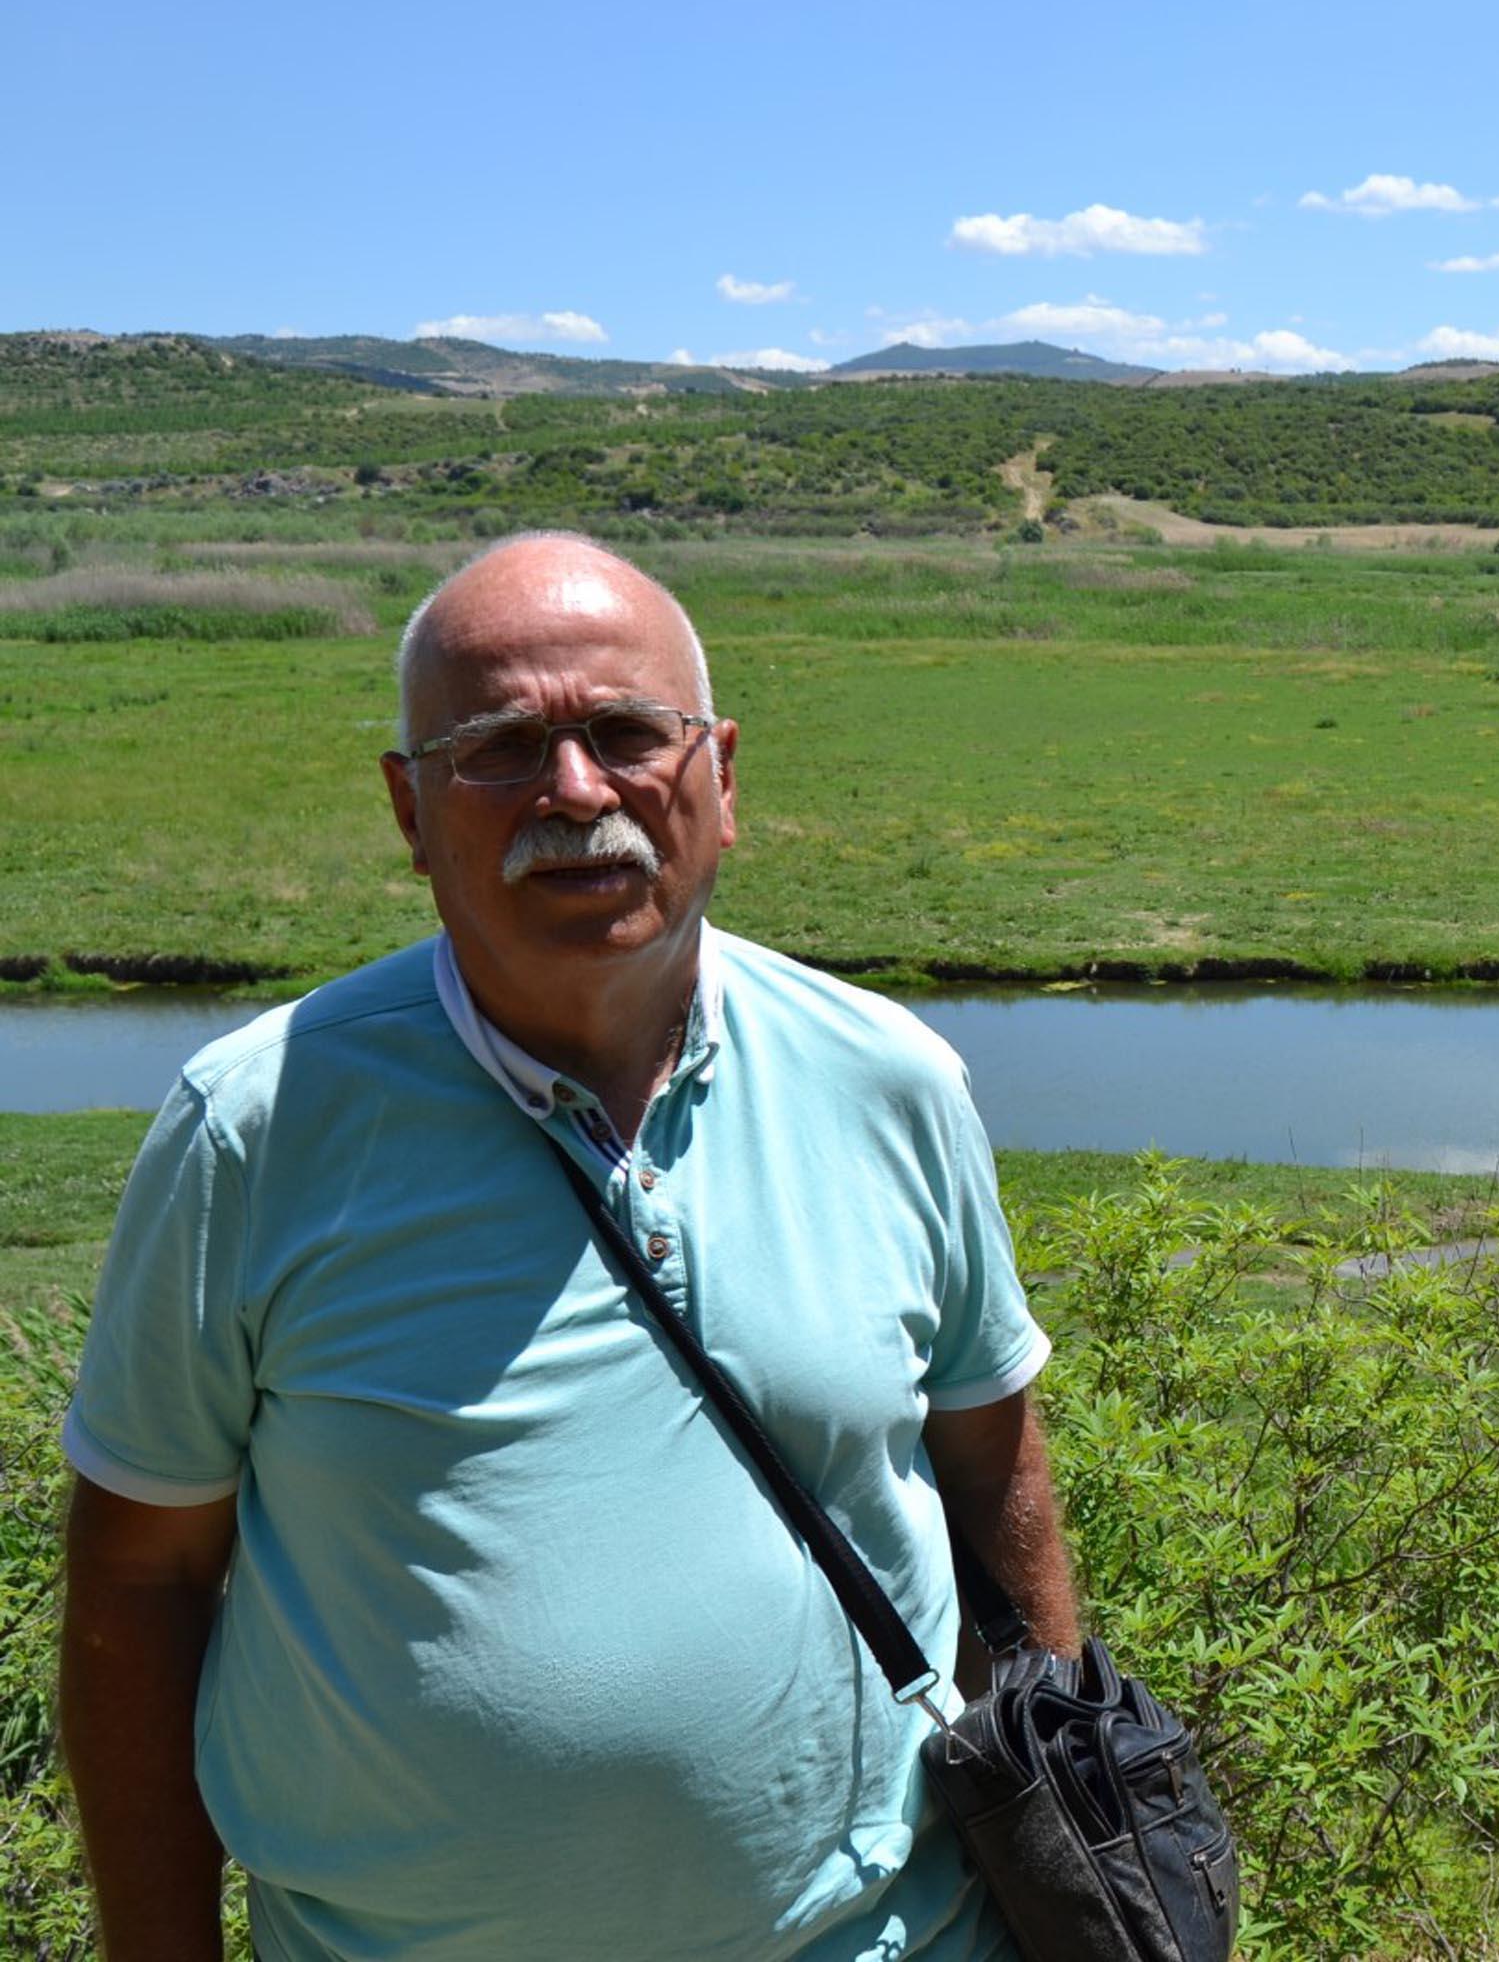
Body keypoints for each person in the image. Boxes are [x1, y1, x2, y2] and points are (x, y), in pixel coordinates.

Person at [57, 531, 1075, 1962]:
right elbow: (139, 1583)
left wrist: (1078, 1847)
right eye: (501, 746)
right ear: (410, 812)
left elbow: (993, 1473)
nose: (577, 791)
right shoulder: (256, 1128)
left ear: (721, 775)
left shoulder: (890, 1081)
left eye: (624, 733)